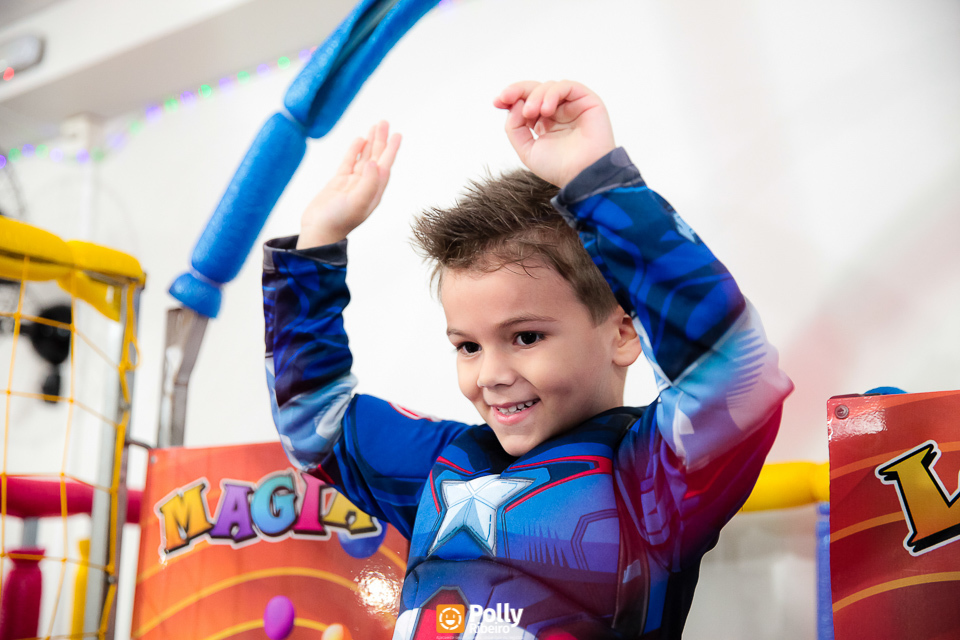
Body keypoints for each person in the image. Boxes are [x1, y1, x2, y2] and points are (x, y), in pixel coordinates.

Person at [263, 80, 793, 639]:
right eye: (468, 346)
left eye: (526, 337)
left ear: (623, 333)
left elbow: (733, 374)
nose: (491, 376)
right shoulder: (445, 463)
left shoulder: (648, 477)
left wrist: (597, 183)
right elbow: (315, 423)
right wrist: (318, 242)